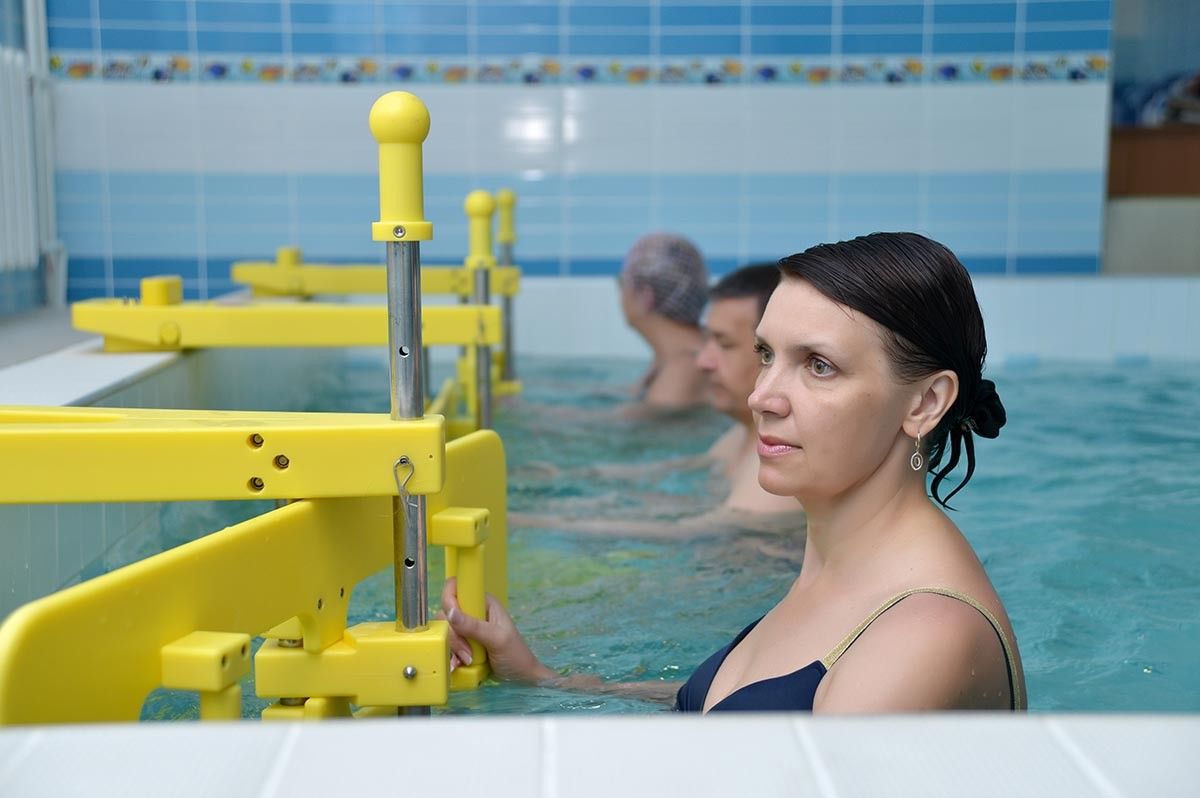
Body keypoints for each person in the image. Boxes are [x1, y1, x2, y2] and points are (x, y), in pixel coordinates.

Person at [442, 232, 1026, 712]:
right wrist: (541, 677)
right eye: (766, 355)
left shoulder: (922, 634)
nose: (761, 397)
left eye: (819, 366)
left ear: (925, 403)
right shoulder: (840, 567)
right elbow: (742, 709)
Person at [511, 263, 803, 538]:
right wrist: (567, 477)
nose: (703, 361)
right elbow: (676, 477)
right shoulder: (742, 434)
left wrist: (529, 523)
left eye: (724, 344)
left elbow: (691, 533)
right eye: (708, 341)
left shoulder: (778, 470)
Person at [618, 232, 710, 413]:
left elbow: (636, 421)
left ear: (645, 296)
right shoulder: (673, 355)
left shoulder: (684, 370)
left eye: (622, 284)